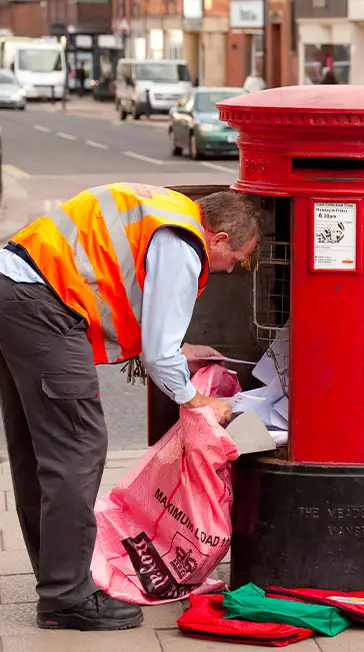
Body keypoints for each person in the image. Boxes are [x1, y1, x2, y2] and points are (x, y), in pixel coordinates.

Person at [0, 184, 261, 631]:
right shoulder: (183, 241)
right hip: (44, 307)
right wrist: (195, 399)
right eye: (237, 259)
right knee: (78, 450)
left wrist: (180, 351)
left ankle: (57, 578)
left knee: (39, 452)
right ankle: (67, 597)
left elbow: (144, 316)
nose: (232, 269)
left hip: (15, 292)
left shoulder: (165, 213)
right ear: (217, 238)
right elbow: (158, 356)